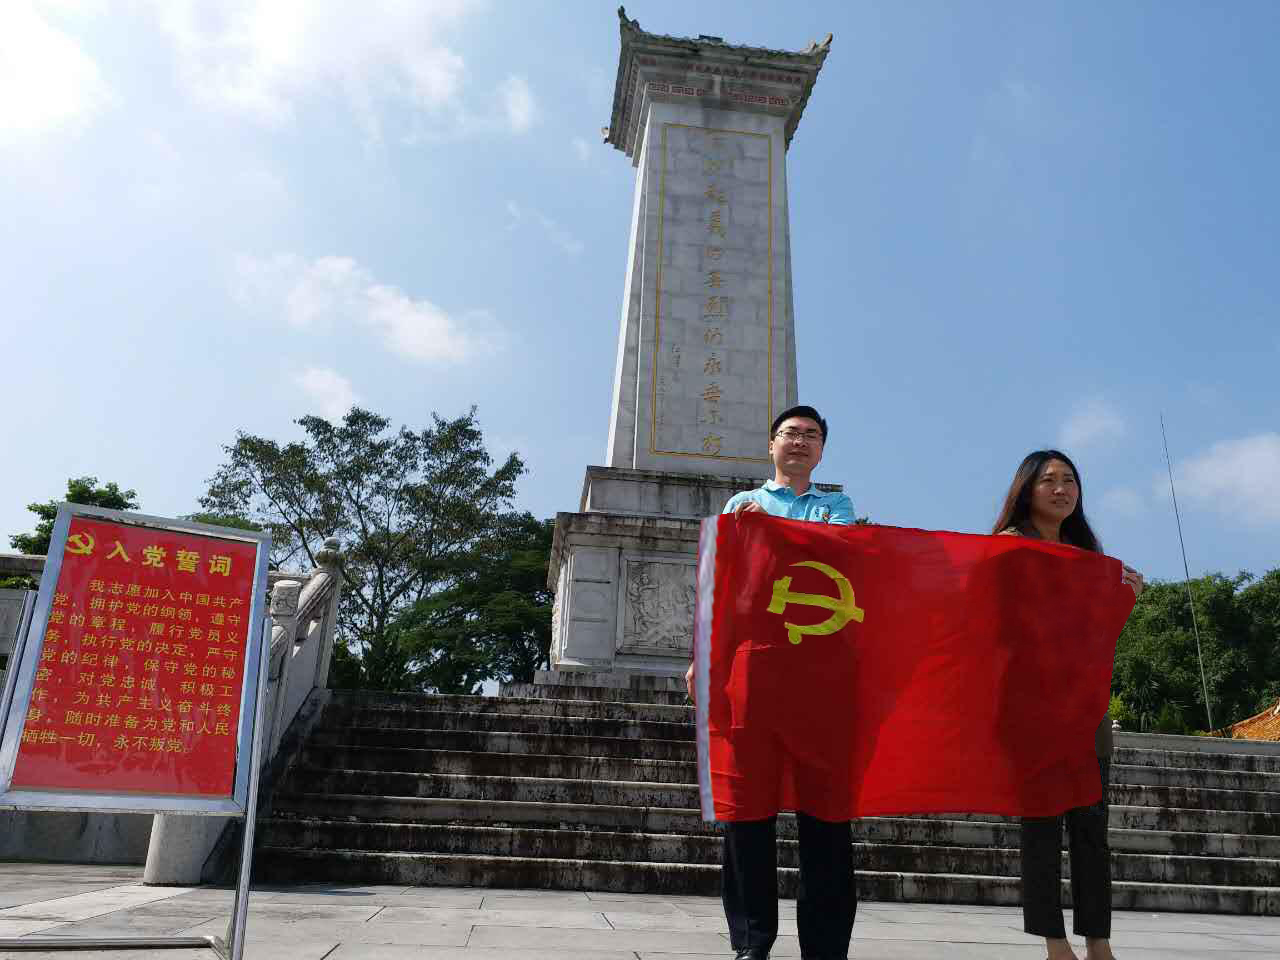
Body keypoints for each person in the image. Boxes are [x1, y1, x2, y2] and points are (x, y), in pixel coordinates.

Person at [685, 404, 856, 960]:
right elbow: (721, 588)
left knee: (826, 815)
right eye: (790, 433)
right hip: (754, 670)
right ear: (771, 445)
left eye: (811, 435)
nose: (800, 442)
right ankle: (751, 941)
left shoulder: (837, 507)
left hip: (819, 675)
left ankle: (825, 947)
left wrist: (775, 534)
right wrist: (701, 656)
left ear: (822, 450)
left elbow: (837, 558)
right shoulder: (741, 505)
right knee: (746, 810)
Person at [992, 450, 1144, 960]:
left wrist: (1124, 598)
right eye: (1049, 480)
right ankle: (1055, 943)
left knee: (1091, 830)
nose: (1061, 490)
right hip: (1030, 711)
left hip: (1085, 711)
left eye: (1070, 480)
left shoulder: (1088, 556)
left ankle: (1099, 942)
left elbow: (1094, 638)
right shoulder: (1008, 547)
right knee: (1040, 827)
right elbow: (998, 621)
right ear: (1026, 490)